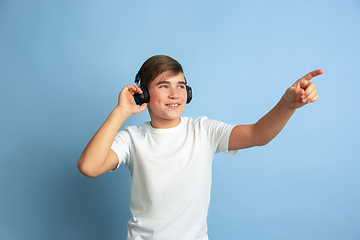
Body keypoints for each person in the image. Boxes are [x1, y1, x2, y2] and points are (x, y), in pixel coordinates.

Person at [77, 55, 323, 240]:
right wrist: (121, 111)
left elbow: (257, 134)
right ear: (143, 95)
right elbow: (89, 166)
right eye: (164, 86)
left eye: (181, 85)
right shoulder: (132, 138)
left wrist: (287, 104)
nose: (175, 93)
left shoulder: (203, 130)